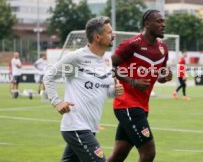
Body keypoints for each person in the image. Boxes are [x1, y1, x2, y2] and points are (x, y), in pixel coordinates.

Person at [43, 16, 124, 162]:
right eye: (109, 32)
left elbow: (104, 89)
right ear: (97, 37)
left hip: (91, 127)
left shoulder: (107, 60)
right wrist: (57, 102)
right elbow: (49, 77)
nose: (114, 35)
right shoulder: (76, 58)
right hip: (75, 125)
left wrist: (114, 91)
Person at [107, 9, 173, 162]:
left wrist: (164, 77)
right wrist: (132, 81)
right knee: (148, 153)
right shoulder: (132, 44)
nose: (163, 24)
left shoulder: (163, 48)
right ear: (147, 24)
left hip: (142, 107)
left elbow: (158, 76)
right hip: (127, 105)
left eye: (163, 21)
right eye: (159, 21)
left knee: (118, 155)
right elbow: (109, 67)